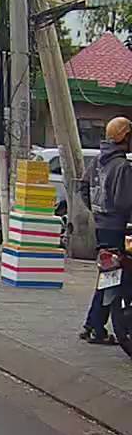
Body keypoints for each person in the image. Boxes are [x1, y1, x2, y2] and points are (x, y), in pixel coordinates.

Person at [78, 116, 132, 344]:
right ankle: (96, 327)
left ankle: (93, 325)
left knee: (108, 276)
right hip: (118, 229)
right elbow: (125, 202)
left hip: (101, 226)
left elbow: (83, 186)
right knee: (114, 278)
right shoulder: (122, 167)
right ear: (125, 138)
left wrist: (95, 210)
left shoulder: (98, 161)